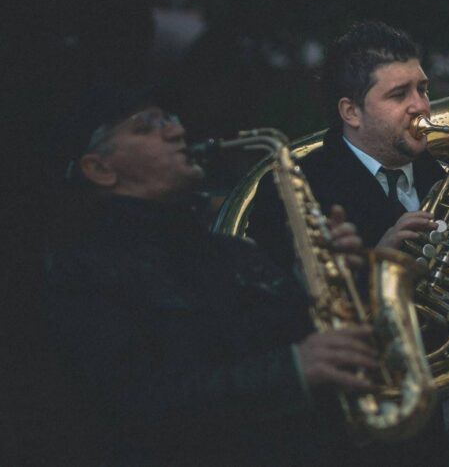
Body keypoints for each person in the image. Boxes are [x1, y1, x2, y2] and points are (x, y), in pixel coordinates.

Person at [249, 21, 449, 466]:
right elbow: (283, 317)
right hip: (374, 444)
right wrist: (374, 261)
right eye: (399, 94)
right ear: (351, 112)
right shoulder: (297, 188)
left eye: (423, 88)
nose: (422, 106)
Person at [42, 84, 382, 466]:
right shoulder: (84, 273)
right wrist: (290, 372)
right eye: (146, 127)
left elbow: (288, 336)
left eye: (169, 119)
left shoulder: (228, 252)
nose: (177, 131)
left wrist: (332, 280)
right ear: (100, 169)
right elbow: (136, 406)